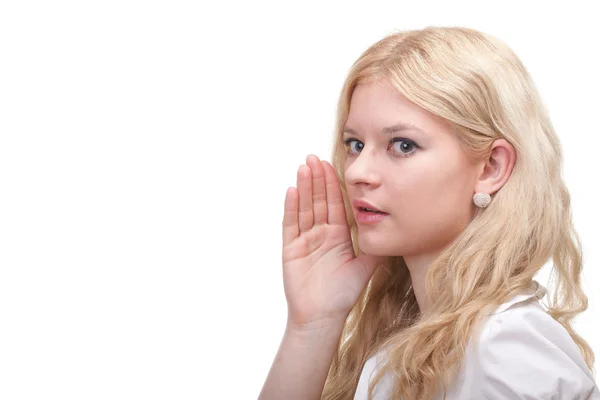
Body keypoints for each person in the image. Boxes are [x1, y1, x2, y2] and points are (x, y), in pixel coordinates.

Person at [258, 26, 600, 399]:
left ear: (490, 168)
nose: (355, 172)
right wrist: (313, 325)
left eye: (402, 145)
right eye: (355, 144)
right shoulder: (417, 338)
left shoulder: (505, 353)